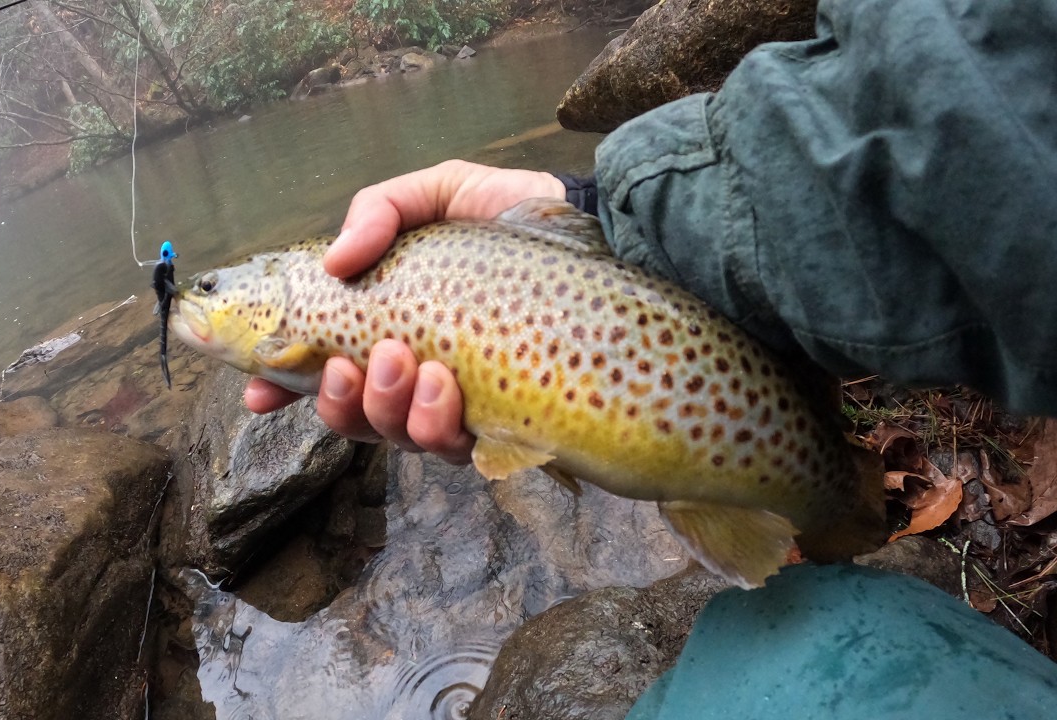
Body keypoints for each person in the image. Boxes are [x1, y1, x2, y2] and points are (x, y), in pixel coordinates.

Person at [243, 0, 1057, 715]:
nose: (193, 305)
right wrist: (596, 210)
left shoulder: (307, 303)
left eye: (207, 290)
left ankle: (832, 505)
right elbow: (973, 122)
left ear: (272, 298)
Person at [153, 240, 178, 387]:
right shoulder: (162, 267)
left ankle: (164, 359)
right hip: (164, 299)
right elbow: (166, 286)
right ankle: (163, 357)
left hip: (165, 298)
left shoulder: (165, 265)